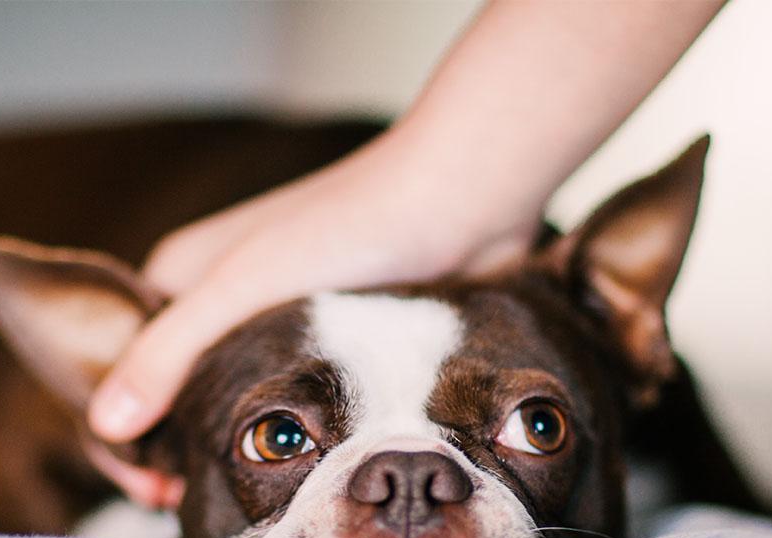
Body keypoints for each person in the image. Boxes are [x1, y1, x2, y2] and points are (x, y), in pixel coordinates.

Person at [88, 0, 727, 444]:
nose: (407, 490)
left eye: (538, 428)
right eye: (281, 440)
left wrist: (442, 185)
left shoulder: (576, 328)